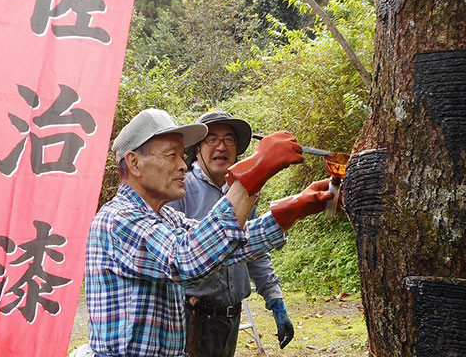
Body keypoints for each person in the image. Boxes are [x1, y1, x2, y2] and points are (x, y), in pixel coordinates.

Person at [85, 108, 333, 357]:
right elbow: (186, 260)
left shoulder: (165, 216)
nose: (182, 165)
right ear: (134, 163)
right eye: (171, 155)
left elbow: (232, 245)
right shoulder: (119, 219)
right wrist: (255, 171)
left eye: (181, 156)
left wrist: (293, 209)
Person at [168, 111, 293, 356]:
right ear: (197, 149)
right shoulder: (180, 189)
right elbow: (176, 255)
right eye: (211, 139)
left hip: (229, 318)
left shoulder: (244, 193)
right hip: (191, 317)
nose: (221, 147)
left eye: (228, 139)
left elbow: (254, 249)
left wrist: (274, 298)